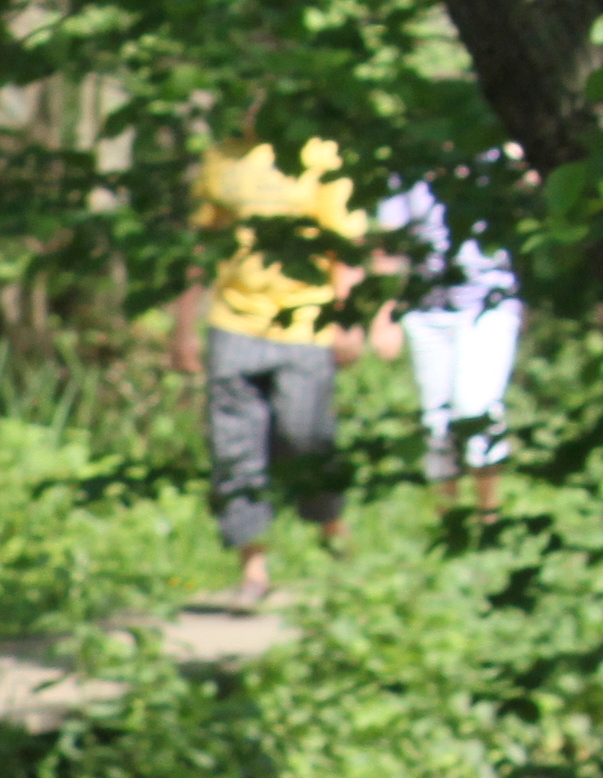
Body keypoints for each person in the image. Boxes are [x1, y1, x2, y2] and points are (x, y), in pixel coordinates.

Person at [167, 137, 393, 600]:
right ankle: (253, 570)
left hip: (306, 322)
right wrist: (183, 326)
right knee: (235, 448)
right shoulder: (221, 155)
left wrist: (349, 320)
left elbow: (344, 244)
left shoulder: (321, 153)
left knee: (305, 437)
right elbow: (199, 246)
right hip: (233, 322)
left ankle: (332, 532)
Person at [378, 166, 526, 514]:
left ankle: (488, 514)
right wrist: (387, 311)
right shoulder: (407, 166)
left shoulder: (496, 160)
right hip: (426, 312)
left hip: (487, 305)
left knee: (477, 408)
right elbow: (390, 244)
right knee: (436, 419)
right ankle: (448, 519)